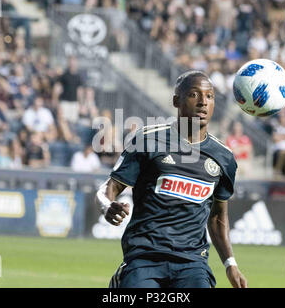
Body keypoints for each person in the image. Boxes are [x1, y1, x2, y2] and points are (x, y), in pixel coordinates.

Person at [95, 71, 247, 288]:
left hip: (192, 263)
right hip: (145, 258)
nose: (203, 102)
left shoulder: (224, 157)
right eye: (194, 94)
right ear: (177, 100)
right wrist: (106, 206)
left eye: (210, 96)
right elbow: (108, 188)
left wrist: (230, 264)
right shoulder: (148, 140)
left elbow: (217, 218)